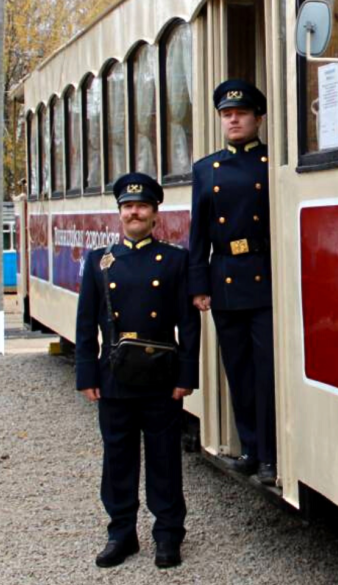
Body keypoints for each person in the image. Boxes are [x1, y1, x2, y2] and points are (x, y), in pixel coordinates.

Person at [75, 173, 199, 569]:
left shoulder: (175, 260)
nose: (134, 212)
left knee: (164, 459)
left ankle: (167, 535)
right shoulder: (99, 262)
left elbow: (188, 324)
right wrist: (86, 375)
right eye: (128, 207)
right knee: (118, 459)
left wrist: (186, 376)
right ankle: (121, 533)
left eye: (142, 206)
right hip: (114, 375)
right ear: (119, 214)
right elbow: (85, 325)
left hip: (161, 376)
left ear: (154, 214)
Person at [188, 79, 276, 485]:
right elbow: (199, 235)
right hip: (225, 278)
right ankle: (251, 448)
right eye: (226, 114)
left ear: (258, 118)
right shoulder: (206, 170)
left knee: (267, 370)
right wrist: (199, 285)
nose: (234, 119)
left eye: (240, 113)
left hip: (265, 274)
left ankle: (273, 453)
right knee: (237, 369)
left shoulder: (273, 164)